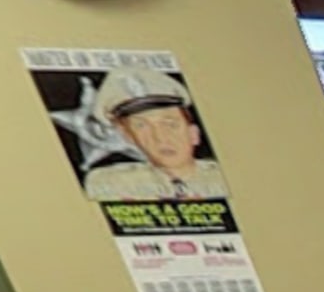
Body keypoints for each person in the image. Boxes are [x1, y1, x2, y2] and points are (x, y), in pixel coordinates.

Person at [78, 67, 229, 202]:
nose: (160, 137)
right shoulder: (109, 183)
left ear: (194, 134)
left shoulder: (225, 178)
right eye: (142, 126)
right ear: (129, 137)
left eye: (171, 124)